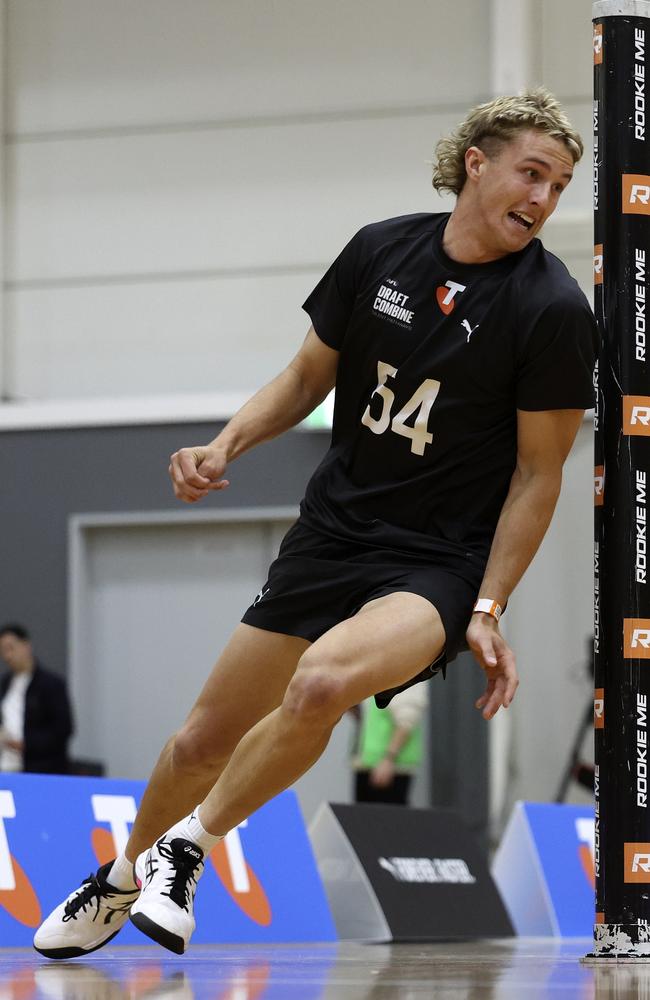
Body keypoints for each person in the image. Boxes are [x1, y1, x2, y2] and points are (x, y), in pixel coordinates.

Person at [34, 87, 597, 958]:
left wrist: (488, 606)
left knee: (326, 685)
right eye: (532, 173)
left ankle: (193, 846)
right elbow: (306, 379)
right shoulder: (382, 251)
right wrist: (227, 445)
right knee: (199, 739)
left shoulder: (552, 310)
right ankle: (117, 883)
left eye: (559, 185)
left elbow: (537, 474)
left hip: (438, 561)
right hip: (334, 532)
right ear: (475, 163)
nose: (544, 199)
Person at [0, 624, 73, 775]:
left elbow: (62, 729)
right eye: (3, 651)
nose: (7, 656)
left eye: (11, 648)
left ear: (26, 646)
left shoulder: (50, 684)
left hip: (39, 769)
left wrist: (24, 745)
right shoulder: (5, 684)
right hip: (6, 766)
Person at [351, 685, 428, 806]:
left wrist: (388, 759)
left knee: (388, 820)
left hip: (390, 769)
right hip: (369, 765)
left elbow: (406, 722)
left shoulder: (406, 674)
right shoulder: (380, 676)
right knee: (365, 819)